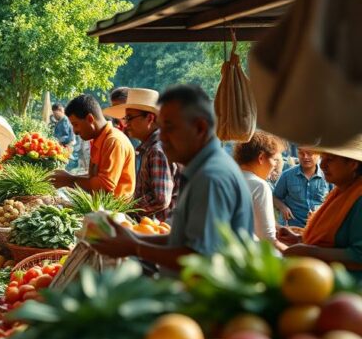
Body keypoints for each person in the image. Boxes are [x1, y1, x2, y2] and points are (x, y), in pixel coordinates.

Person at [91, 85, 253, 274]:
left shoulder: (211, 177)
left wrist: (134, 247)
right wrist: (134, 238)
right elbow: (181, 239)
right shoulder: (201, 171)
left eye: (169, 127)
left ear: (199, 128)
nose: (163, 137)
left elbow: (197, 257)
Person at [278, 135, 362, 272]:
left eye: (331, 159)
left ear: (353, 164)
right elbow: (335, 241)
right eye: (323, 157)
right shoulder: (340, 192)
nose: (322, 165)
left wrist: (310, 251)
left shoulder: (359, 199)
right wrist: (300, 239)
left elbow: (359, 254)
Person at [103, 89, 179, 221]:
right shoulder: (150, 148)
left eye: (130, 118)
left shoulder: (157, 150)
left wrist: (125, 210)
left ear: (149, 118)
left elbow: (160, 199)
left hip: (162, 229)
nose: (126, 124)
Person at [51, 95, 136, 197]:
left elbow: (104, 187)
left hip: (115, 211)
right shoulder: (98, 139)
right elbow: (94, 178)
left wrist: (69, 179)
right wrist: (68, 178)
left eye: (76, 124)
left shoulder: (113, 141)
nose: (75, 131)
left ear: (90, 119)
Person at [234, 132, 286, 250]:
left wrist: (277, 227)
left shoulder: (229, 178)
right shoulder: (259, 185)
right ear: (261, 158)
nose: (274, 166)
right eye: (274, 160)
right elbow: (268, 240)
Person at [274, 148, 331, 228]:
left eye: (309, 153)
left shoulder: (328, 176)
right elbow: (275, 197)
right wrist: (283, 207)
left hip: (319, 226)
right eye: (301, 153)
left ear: (319, 154)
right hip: (293, 226)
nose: (305, 157)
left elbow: (334, 200)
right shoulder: (287, 175)